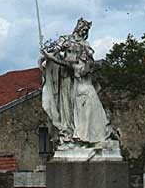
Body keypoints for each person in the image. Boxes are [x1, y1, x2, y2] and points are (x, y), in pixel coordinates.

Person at [40, 18, 113, 150]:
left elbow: (87, 64)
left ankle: (80, 136)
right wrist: (48, 54)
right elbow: (55, 51)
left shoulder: (85, 45)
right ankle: (68, 136)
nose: (83, 31)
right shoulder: (66, 39)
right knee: (67, 109)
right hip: (66, 78)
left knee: (82, 110)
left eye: (86, 29)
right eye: (82, 28)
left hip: (78, 79)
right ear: (77, 27)